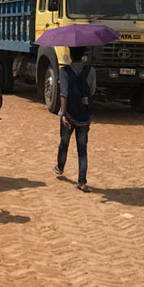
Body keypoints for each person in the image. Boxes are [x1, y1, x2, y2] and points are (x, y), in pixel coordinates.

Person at [53, 46, 95, 192]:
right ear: (84, 54)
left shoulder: (64, 72)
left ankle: (60, 167)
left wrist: (63, 114)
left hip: (69, 114)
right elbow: (92, 90)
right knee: (82, 149)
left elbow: (63, 94)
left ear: (70, 54)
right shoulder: (91, 71)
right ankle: (82, 181)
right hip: (84, 115)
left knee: (64, 142)